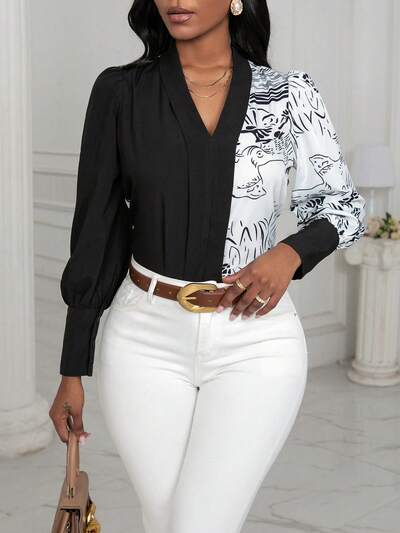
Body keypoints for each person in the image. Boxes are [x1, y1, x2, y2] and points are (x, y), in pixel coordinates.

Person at [49, 1, 366, 532]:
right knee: (164, 520)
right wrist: (71, 368)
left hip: (256, 341)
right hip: (143, 339)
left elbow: (344, 207)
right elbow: (95, 232)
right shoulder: (120, 92)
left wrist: (289, 253)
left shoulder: (289, 94)